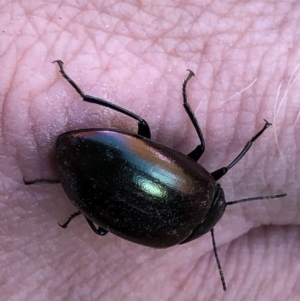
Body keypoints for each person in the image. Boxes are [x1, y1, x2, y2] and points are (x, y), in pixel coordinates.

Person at [0, 1, 297, 300]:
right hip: (82, 181)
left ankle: (83, 96)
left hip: (99, 152)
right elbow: (105, 224)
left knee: (150, 127)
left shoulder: (203, 188)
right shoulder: (164, 238)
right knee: (101, 229)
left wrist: (249, 140)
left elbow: (204, 149)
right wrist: (73, 192)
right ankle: (65, 178)